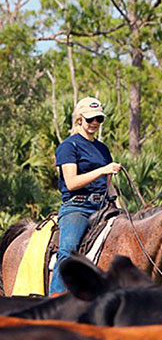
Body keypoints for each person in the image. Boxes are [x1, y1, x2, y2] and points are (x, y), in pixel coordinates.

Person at [48, 96, 121, 294]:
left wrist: (120, 208)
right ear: (79, 119)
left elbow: (109, 186)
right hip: (77, 207)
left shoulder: (103, 149)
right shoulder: (68, 147)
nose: (94, 123)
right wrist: (102, 170)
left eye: (99, 119)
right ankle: (55, 299)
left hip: (103, 206)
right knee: (68, 251)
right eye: (90, 119)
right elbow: (71, 182)